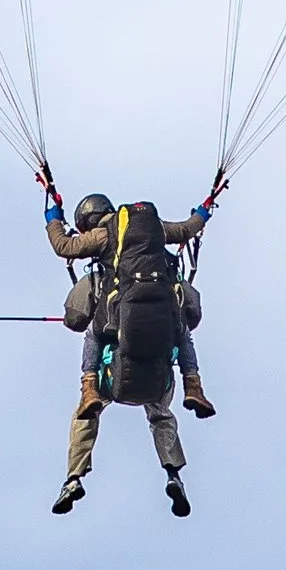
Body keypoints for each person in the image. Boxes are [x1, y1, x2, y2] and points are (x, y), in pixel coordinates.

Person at [44, 186, 214, 514]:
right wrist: (204, 212)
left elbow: (64, 249)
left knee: (93, 339)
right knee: (165, 400)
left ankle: (75, 472)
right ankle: (175, 468)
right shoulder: (155, 230)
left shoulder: (101, 239)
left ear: (88, 221)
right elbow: (187, 229)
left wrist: (52, 220)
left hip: (119, 349)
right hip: (162, 354)